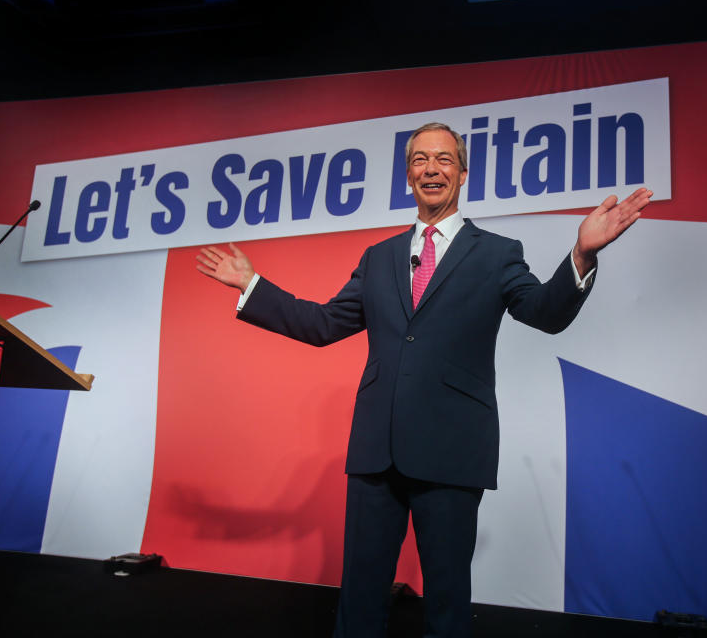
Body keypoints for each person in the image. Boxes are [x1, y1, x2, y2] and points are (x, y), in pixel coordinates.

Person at [196, 122, 652, 638]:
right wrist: (252, 286)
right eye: (419, 160)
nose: (431, 169)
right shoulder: (380, 256)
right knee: (361, 595)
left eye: (443, 160)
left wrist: (582, 255)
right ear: (408, 176)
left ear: (461, 174)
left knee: (447, 598)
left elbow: (545, 312)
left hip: (453, 451)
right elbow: (323, 325)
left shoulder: (497, 252)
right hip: (376, 452)